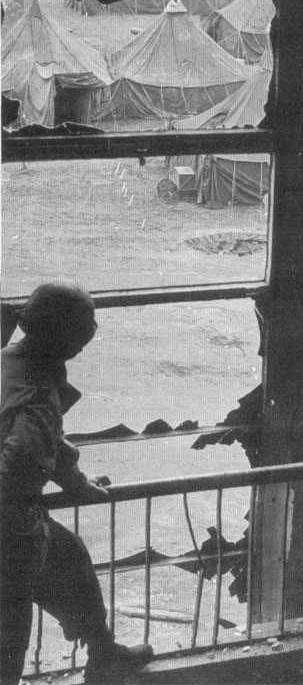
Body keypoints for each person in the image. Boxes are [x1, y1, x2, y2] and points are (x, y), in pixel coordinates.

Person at [0, 281, 154, 685]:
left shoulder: (14, 362)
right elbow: (25, 459)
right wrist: (28, 516)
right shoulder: (34, 389)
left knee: (70, 558)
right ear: (60, 333)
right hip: (9, 526)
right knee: (10, 629)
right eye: (84, 324)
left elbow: (44, 439)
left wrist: (76, 481)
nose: (91, 332)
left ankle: (102, 653)